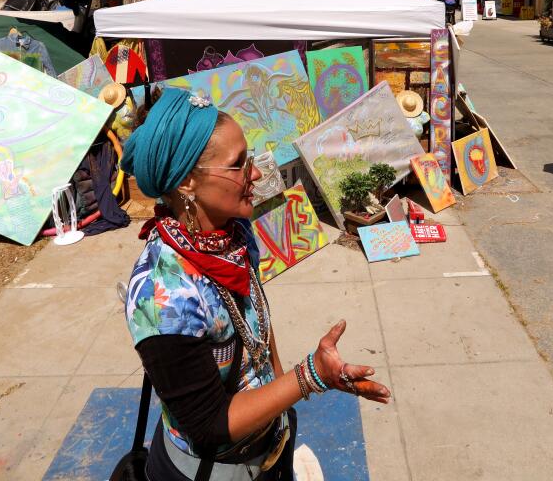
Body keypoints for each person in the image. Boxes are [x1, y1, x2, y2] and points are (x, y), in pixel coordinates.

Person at [121, 88, 391, 480]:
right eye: (238, 164)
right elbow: (209, 426)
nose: (257, 173)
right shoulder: (163, 297)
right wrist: (310, 376)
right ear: (187, 184)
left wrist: (281, 402)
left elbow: (257, 328)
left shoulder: (235, 234)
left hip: (268, 442)